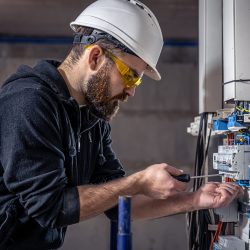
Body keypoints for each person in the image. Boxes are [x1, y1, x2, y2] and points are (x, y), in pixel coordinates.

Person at [0, 0, 242, 249]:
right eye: (130, 75)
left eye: (136, 82)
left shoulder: (92, 119)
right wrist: (138, 181)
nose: (131, 91)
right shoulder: (29, 102)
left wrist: (195, 199)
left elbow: (120, 204)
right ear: (95, 56)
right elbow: (50, 208)